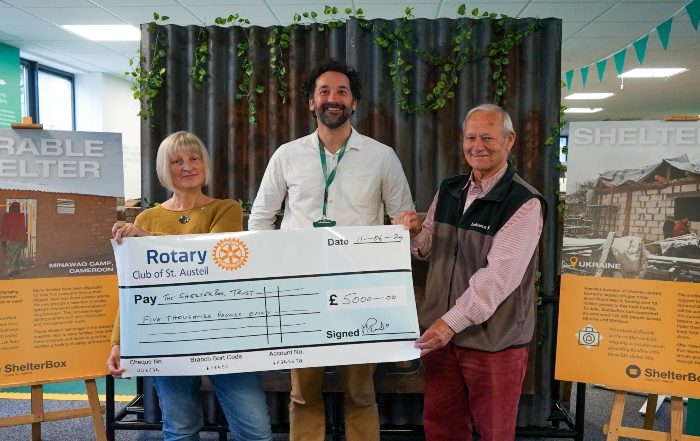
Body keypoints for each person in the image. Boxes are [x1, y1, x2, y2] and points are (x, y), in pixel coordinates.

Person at [248, 59, 414, 441]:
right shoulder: (287, 155)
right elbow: (260, 221)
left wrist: (405, 227)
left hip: (361, 290)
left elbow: (401, 219)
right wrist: (276, 268)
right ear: (311, 102)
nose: (332, 99)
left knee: (360, 390)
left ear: (354, 103)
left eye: (341, 92)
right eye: (324, 91)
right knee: (303, 392)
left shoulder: (381, 155)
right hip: (300, 291)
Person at [107, 131, 272, 441]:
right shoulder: (148, 218)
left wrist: (148, 240)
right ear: (163, 168)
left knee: (255, 431)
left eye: (194, 158)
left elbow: (213, 258)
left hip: (224, 333)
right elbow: (132, 288)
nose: (187, 166)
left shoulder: (227, 209)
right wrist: (119, 341)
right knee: (180, 429)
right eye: (176, 160)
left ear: (204, 164)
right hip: (167, 335)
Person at [394, 104, 545, 441]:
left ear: (509, 140)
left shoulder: (524, 203)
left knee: (494, 432)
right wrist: (416, 231)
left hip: (493, 340)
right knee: (442, 426)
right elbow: (428, 250)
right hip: (442, 336)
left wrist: (449, 323)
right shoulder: (449, 189)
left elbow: (498, 279)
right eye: (471, 137)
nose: (478, 145)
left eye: (488, 137)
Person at [1, 201, 27, 278]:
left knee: (11, 258)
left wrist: (3, 240)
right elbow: (23, 229)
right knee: (13, 258)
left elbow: (4, 228)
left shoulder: (8, 216)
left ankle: (13, 273)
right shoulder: (21, 216)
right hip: (17, 240)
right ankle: (8, 274)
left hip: (12, 240)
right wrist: (25, 241)